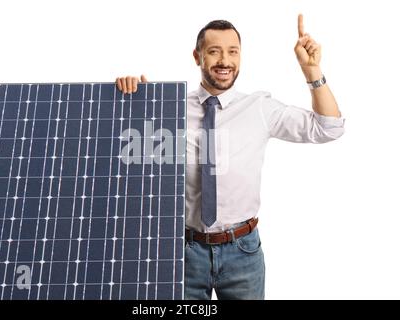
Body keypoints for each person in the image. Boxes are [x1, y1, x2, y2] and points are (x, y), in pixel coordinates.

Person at [115, 14, 344, 300]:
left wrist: (312, 70)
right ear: (197, 56)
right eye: (214, 51)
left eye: (232, 52)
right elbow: (125, 159)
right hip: (183, 253)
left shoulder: (260, 107)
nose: (225, 61)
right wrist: (129, 101)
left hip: (243, 252)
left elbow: (329, 128)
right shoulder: (169, 108)